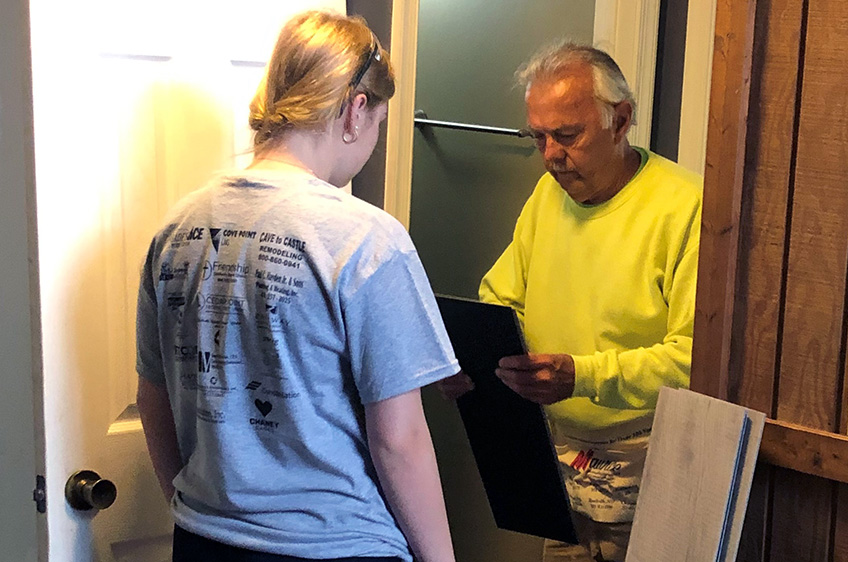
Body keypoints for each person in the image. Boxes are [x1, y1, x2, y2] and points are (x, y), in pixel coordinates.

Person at [136, 11, 458, 562]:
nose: (372, 140)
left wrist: (196, 509)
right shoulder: (366, 240)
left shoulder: (177, 230)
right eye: (379, 123)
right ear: (356, 112)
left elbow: (153, 398)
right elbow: (398, 440)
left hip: (204, 541)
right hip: (336, 546)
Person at [439, 42, 702, 562]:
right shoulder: (548, 195)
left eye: (567, 135)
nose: (551, 155)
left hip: (653, 469)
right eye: (538, 137)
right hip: (560, 464)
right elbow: (502, 300)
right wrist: (471, 359)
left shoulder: (687, 205)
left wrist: (582, 376)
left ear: (620, 120)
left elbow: (697, 359)